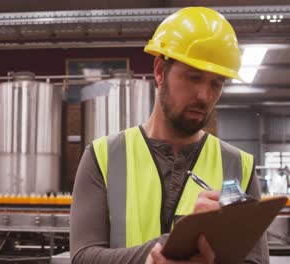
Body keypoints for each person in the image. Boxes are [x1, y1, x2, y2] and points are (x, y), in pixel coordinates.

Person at [70, 6, 269, 264]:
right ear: (160, 71)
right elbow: (84, 257)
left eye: (215, 83)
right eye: (193, 77)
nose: (204, 96)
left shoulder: (238, 165)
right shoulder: (102, 157)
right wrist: (175, 245)